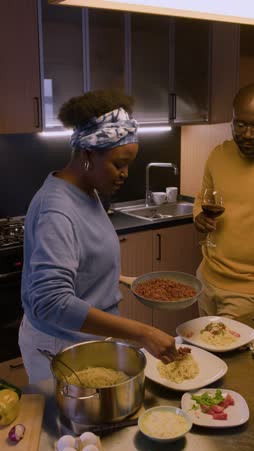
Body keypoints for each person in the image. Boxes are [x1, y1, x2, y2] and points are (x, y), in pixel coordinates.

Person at [19, 89, 178, 383]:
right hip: (61, 348)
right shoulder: (56, 210)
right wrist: (143, 332)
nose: (125, 174)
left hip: (85, 339)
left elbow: (81, 260)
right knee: (71, 429)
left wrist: (123, 280)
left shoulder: (86, 192)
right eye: (119, 164)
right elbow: (50, 301)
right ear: (88, 154)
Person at [193, 82, 254, 318]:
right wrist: (199, 218)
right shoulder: (219, 154)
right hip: (207, 279)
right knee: (204, 353)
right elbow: (202, 199)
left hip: (251, 294)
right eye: (240, 124)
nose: (247, 134)